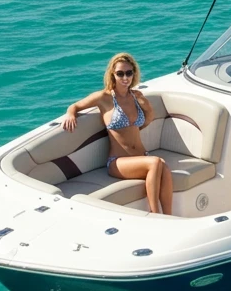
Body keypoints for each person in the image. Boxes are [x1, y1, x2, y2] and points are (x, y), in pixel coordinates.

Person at [61, 53, 174, 215]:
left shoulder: (136, 96)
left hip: (141, 156)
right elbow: (75, 106)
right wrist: (71, 114)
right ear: (112, 75)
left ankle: (169, 215)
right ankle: (155, 214)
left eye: (129, 73)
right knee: (156, 163)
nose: (125, 77)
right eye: (120, 73)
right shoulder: (104, 97)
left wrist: (145, 105)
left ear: (134, 74)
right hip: (118, 162)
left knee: (164, 166)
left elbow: (149, 119)